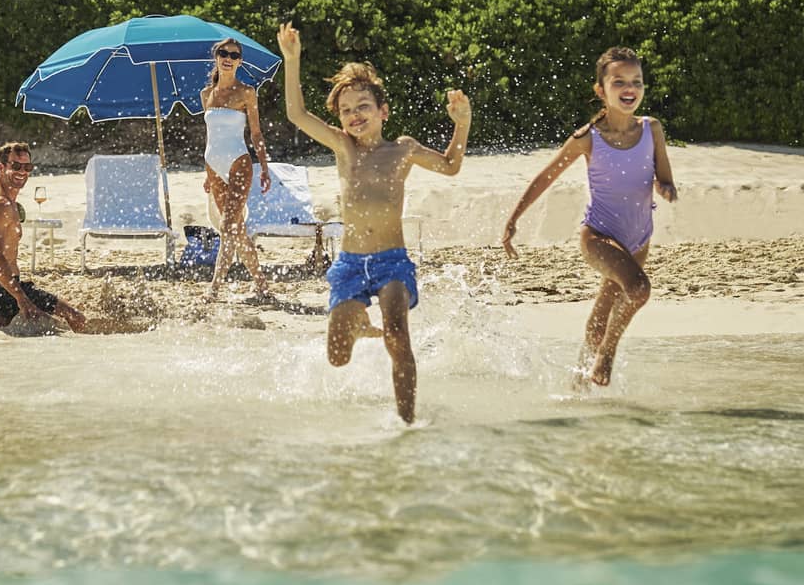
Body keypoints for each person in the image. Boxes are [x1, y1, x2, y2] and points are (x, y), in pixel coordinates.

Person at [275, 22, 472, 424]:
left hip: (392, 263)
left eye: (362, 107)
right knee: (337, 356)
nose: (353, 116)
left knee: (399, 336)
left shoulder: (403, 150)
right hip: (349, 265)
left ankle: (407, 424)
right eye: (346, 111)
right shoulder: (342, 147)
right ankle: (361, 326)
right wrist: (291, 60)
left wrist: (462, 122)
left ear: (383, 111)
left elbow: (451, 167)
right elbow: (296, 114)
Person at [501, 46, 677, 387]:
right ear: (601, 90)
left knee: (602, 315)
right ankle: (605, 356)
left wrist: (665, 187)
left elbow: (665, 176)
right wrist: (513, 218)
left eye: (637, 81)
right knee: (638, 289)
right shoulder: (587, 138)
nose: (630, 89)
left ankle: (576, 384)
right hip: (598, 237)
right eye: (619, 81)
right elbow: (546, 176)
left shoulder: (651, 129)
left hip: (639, 241)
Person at [0, 142, 87, 333]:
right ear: (1, 168)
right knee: (76, 318)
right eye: (15, 166)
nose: (22, 172)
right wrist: (23, 299)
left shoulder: (7, 201)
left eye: (27, 167)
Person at [201, 37, 272, 301]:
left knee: (229, 226)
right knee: (236, 229)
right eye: (223, 53)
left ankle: (215, 288)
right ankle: (262, 284)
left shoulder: (246, 92)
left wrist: (264, 167)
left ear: (240, 61)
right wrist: (205, 173)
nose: (228, 58)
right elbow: (210, 134)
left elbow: (256, 134)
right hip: (213, 165)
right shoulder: (206, 95)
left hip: (239, 163)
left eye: (233, 54)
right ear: (216, 57)